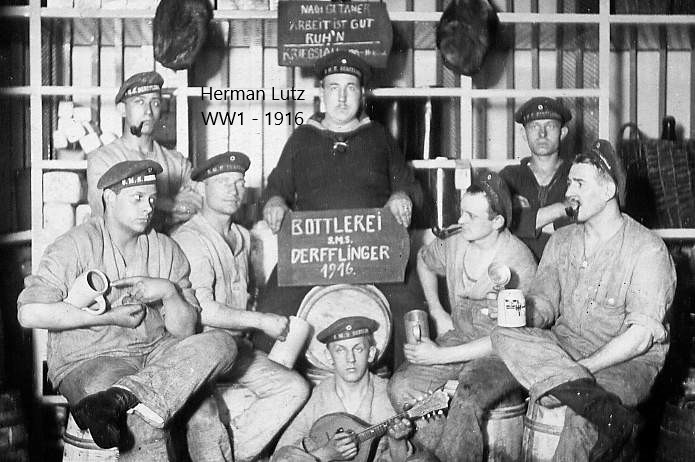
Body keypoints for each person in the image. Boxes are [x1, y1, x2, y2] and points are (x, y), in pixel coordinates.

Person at [17, 160, 237, 459]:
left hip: (156, 356)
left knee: (222, 347)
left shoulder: (165, 248)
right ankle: (129, 400)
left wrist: (169, 292)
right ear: (109, 198)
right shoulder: (73, 245)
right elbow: (29, 313)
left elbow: (186, 332)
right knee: (140, 422)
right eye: (137, 198)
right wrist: (109, 317)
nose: (148, 207)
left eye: (151, 199)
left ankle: (126, 395)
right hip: (90, 359)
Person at [492, 140, 677, 461]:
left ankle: (591, 405)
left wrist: (578, 371)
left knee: (582, 415)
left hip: (626, 360)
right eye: (569, 183)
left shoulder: (648, 249)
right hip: (566, 347)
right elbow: (543, 304)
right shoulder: (562, 240)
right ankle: (611, 417)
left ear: (608, 190)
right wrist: (518, 311)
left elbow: (638, 339)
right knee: (500, 334)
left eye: (579, 183)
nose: (569, 192)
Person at [257, 51, 423, 368]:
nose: (342, 97)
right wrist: (275, 203)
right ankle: (268, 383)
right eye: (334, 88)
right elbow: (275, 188)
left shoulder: (379, 137)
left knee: (410, 306)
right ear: (322, 92)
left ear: (362, 94)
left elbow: (409, 185)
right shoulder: (301, 138)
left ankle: (410, 380)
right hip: (312, 250)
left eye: (350, 87)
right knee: (273, 309)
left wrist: (401, 196)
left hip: (373, 249)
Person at [387, 172, 537, 462]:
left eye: (471, 215)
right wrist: (437, 310)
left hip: (501, 354)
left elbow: (505, 339)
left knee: (466, 399)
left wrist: (439, 356)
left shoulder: (519, 262)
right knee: (401, 387)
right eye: (462, 211)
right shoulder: (457, 242)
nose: (460, 220)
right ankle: (430, 456)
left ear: (497, 221)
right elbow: (424, 260)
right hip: (460, 337)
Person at [171, 152, 310, 461]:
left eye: (239, 182)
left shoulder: (243, 237)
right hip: (199, 353)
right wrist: (261, 321)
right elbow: (203, 309)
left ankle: (233, 455)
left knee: (295, 388)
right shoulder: (190, 239)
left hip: (236, 350)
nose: (234, 190)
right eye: (223, 182)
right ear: (201, 188)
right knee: (206, 422)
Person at [272, 316, 433, 462]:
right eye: (340, 350)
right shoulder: (320, 394)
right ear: (329, 356)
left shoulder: (388, 394)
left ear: (371, 354)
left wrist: (397, 441)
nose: (350, 359)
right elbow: (282, 453)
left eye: (358, 349)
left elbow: (401, 458)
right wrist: (324, 454)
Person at [87, 71, 201, 230]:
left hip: (167, 245)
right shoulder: (104, 159)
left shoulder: (177, 162)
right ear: (122, 109)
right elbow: (107, 213)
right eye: (139, 102)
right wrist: (170, 205)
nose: (148, 111)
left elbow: (202, 202)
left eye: (155, 103)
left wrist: (139, 200)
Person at [500, 96, 574, 260]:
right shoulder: (509, 177)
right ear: (524, 134)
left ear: (562, 132)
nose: (542, 134)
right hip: (518, 270)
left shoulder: (577, 174)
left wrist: (527, 220)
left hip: (566, 267)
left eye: (550, 126)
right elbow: (498, 224)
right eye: (534, 126)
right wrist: (561, 209)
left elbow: (582, 228)